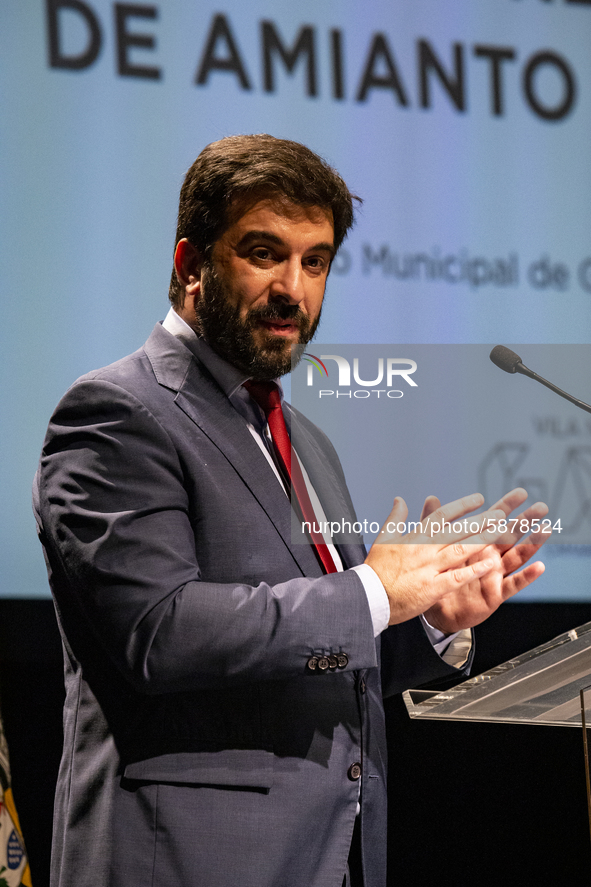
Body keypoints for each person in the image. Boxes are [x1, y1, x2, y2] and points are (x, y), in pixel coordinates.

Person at [33, 135, 548, 887]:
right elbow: (159, 632)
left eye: (315, 262)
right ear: (189, 264)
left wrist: (431, 618)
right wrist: (374, 590)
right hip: (186, 859)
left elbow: (326, 650)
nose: (292, 289)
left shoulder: (305, 440)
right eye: (263, 253)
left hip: (328, 859)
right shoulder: (117, 412)